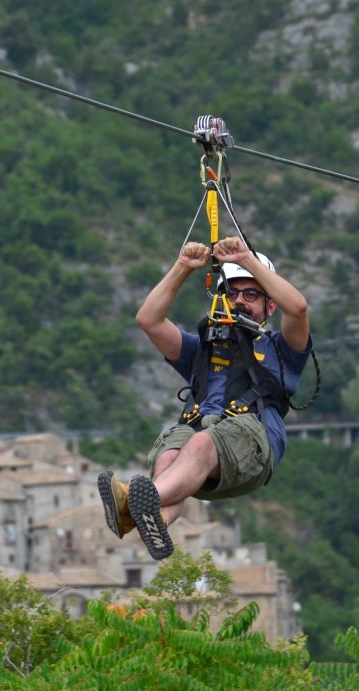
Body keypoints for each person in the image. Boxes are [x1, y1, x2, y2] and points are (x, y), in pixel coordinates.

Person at [99, 236, 312, 560]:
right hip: (202, 452)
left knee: (199, 443)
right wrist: (182, 268)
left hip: (254, 444)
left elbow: (297, 308)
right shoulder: (202, 349)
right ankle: (156, 522)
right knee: (170, 455)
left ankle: (129, 505)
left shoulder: (282, 350)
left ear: (269, 306)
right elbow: (149, 320)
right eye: (232, 292)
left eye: (251, 294)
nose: (239, 300)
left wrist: (246, 260)